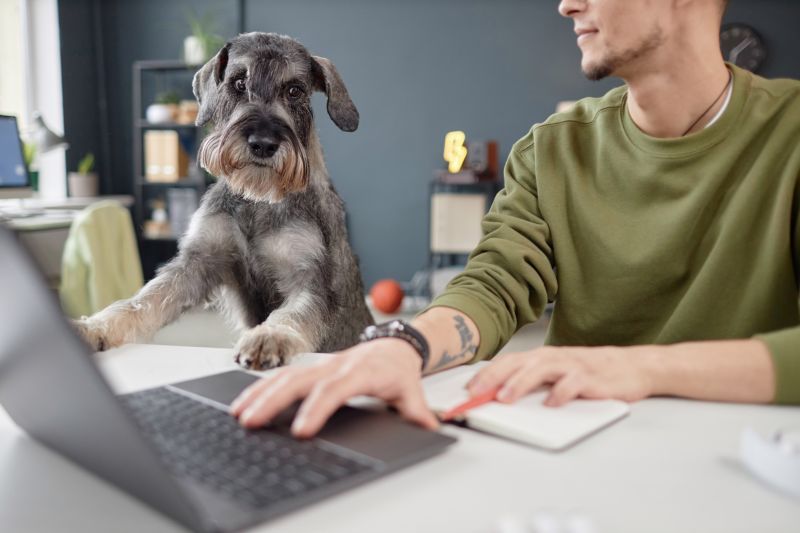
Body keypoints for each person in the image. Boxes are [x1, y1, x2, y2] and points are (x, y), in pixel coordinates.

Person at [230, 0, 800, 438]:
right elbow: (496, 283)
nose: (567, 4)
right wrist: (402, 345)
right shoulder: (550, 151)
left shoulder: (789, 134)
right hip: (577, 442)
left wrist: (642, 369)